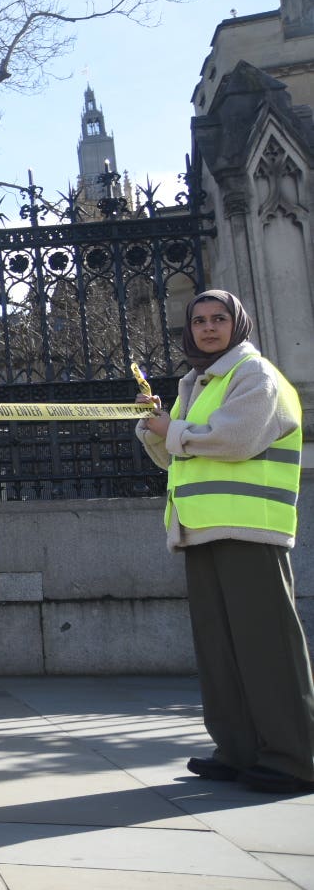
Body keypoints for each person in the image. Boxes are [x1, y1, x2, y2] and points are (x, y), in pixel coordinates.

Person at [135, 289, 313, 794]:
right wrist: (157, 429)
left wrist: (174, 431)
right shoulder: (197, 382)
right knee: (220, 650)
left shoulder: (255, 375)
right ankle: (238, 750)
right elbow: (176, 455)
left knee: (267, 647)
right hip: (201, 529)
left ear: (238, 325)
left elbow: (234, 441)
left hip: (249, 530)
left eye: (218, 319)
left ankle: (294, 758)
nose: (208, 328)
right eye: (198, 321)